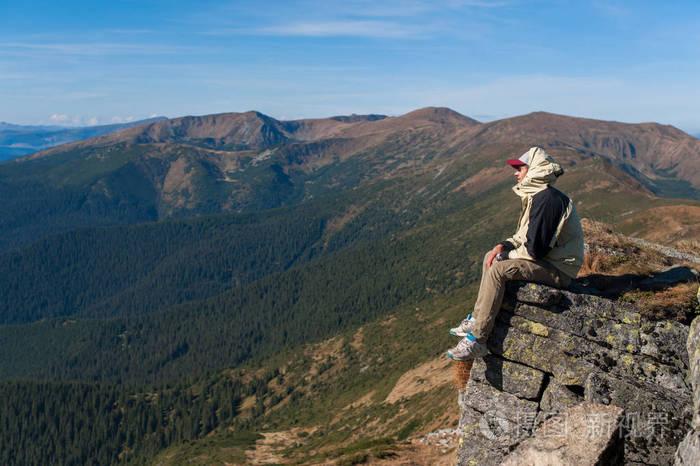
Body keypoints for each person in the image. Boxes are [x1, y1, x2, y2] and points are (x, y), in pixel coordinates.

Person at [446, 146, 584, 361]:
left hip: (559, 268)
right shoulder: (537, 196)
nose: (515, 172)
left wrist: (506, 256)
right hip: (549, 260)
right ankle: (477, 317)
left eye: (520, 168)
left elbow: (535, 250)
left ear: (534, 169)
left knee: (499, 269)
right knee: (490, 257)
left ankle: (477, 339)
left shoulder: (549, 200)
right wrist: (502, 245)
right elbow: (523, 235)